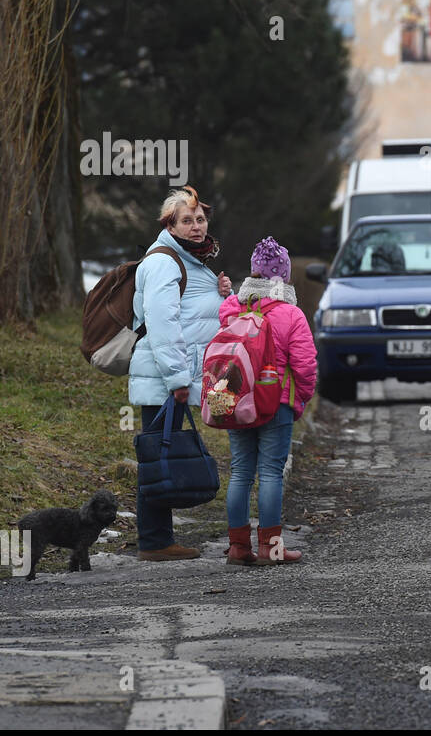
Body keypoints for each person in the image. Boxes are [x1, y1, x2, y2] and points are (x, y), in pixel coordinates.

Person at [128, 186, 232, 560]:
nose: (196, 227)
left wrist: (221, 293)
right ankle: (155, 541)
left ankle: (157, 539)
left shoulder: (189, 261)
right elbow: (163, 324)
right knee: (157, 453)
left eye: (200, 219)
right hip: (162, 377)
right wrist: (176, 380)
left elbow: (194, 314)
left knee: (160, 453)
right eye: (186, 221)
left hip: (174, 375)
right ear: (169, 226)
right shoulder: (163, 262)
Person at [219, 237, 317, 565]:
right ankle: (271, 549)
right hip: (277, 401)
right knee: (272, 472)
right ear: (284, 277)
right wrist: (299, 399)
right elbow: (305, 366)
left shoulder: (232, 308)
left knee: (241, 471)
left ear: (253, 273)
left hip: (237, 400)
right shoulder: (291, 314)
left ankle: (237, 547)